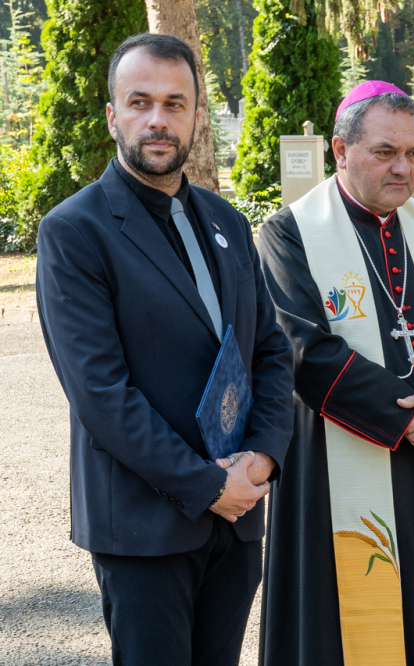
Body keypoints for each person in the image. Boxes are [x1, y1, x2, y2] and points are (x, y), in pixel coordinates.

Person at [34, 34, 294, 666]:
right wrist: (207, 485)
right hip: (145, 525)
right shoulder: (74, 231)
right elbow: (101, 394)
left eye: (175, 104)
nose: (158, 119)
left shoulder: (227, 222)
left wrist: (261, 458)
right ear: (112, 115)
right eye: (140, 102)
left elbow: (269, 351)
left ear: (196, 116)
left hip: (237, 517)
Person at [256, 81, 414, 666]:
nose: (404, 168)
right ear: (341, 151)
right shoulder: (289, 232)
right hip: (335, 460)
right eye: (386, 152)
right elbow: (303, 351)